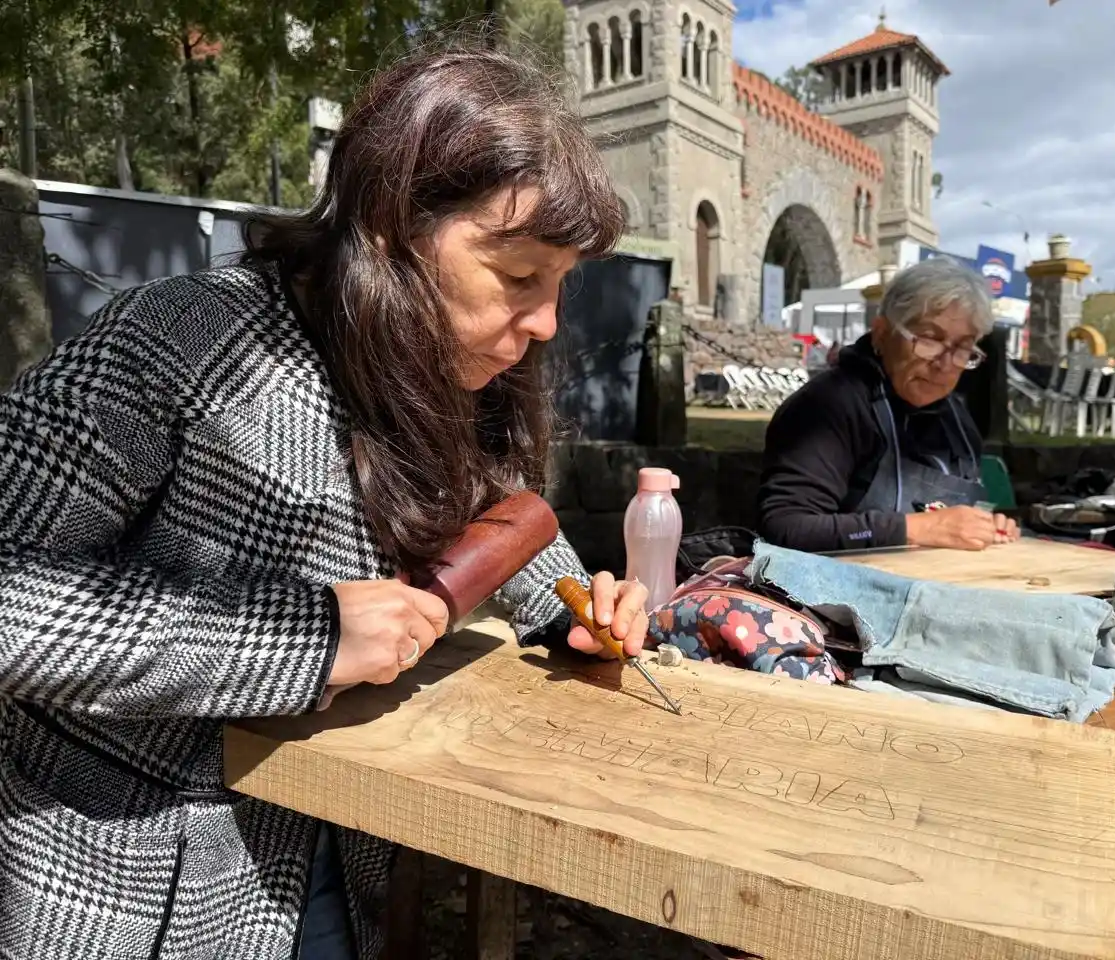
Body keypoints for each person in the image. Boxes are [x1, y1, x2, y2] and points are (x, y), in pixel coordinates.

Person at [0, 45, 650, 960]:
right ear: (391, 229)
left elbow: (488, 509)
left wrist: (576, 607)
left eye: (561, 285)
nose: (546, 323)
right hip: (136, 889)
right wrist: (305, 637)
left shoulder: (446, 360)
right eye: (518, 276)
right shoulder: (181, 343)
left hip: (337, 856)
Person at [756, 257, 1020, 553]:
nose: (945, 364)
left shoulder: (957, 420)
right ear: (882, 333)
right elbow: (787, 529)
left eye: (962, 348)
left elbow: (951, 519)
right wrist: (915, 529)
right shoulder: (828, 407)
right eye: (930, 339)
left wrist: (983, 525)